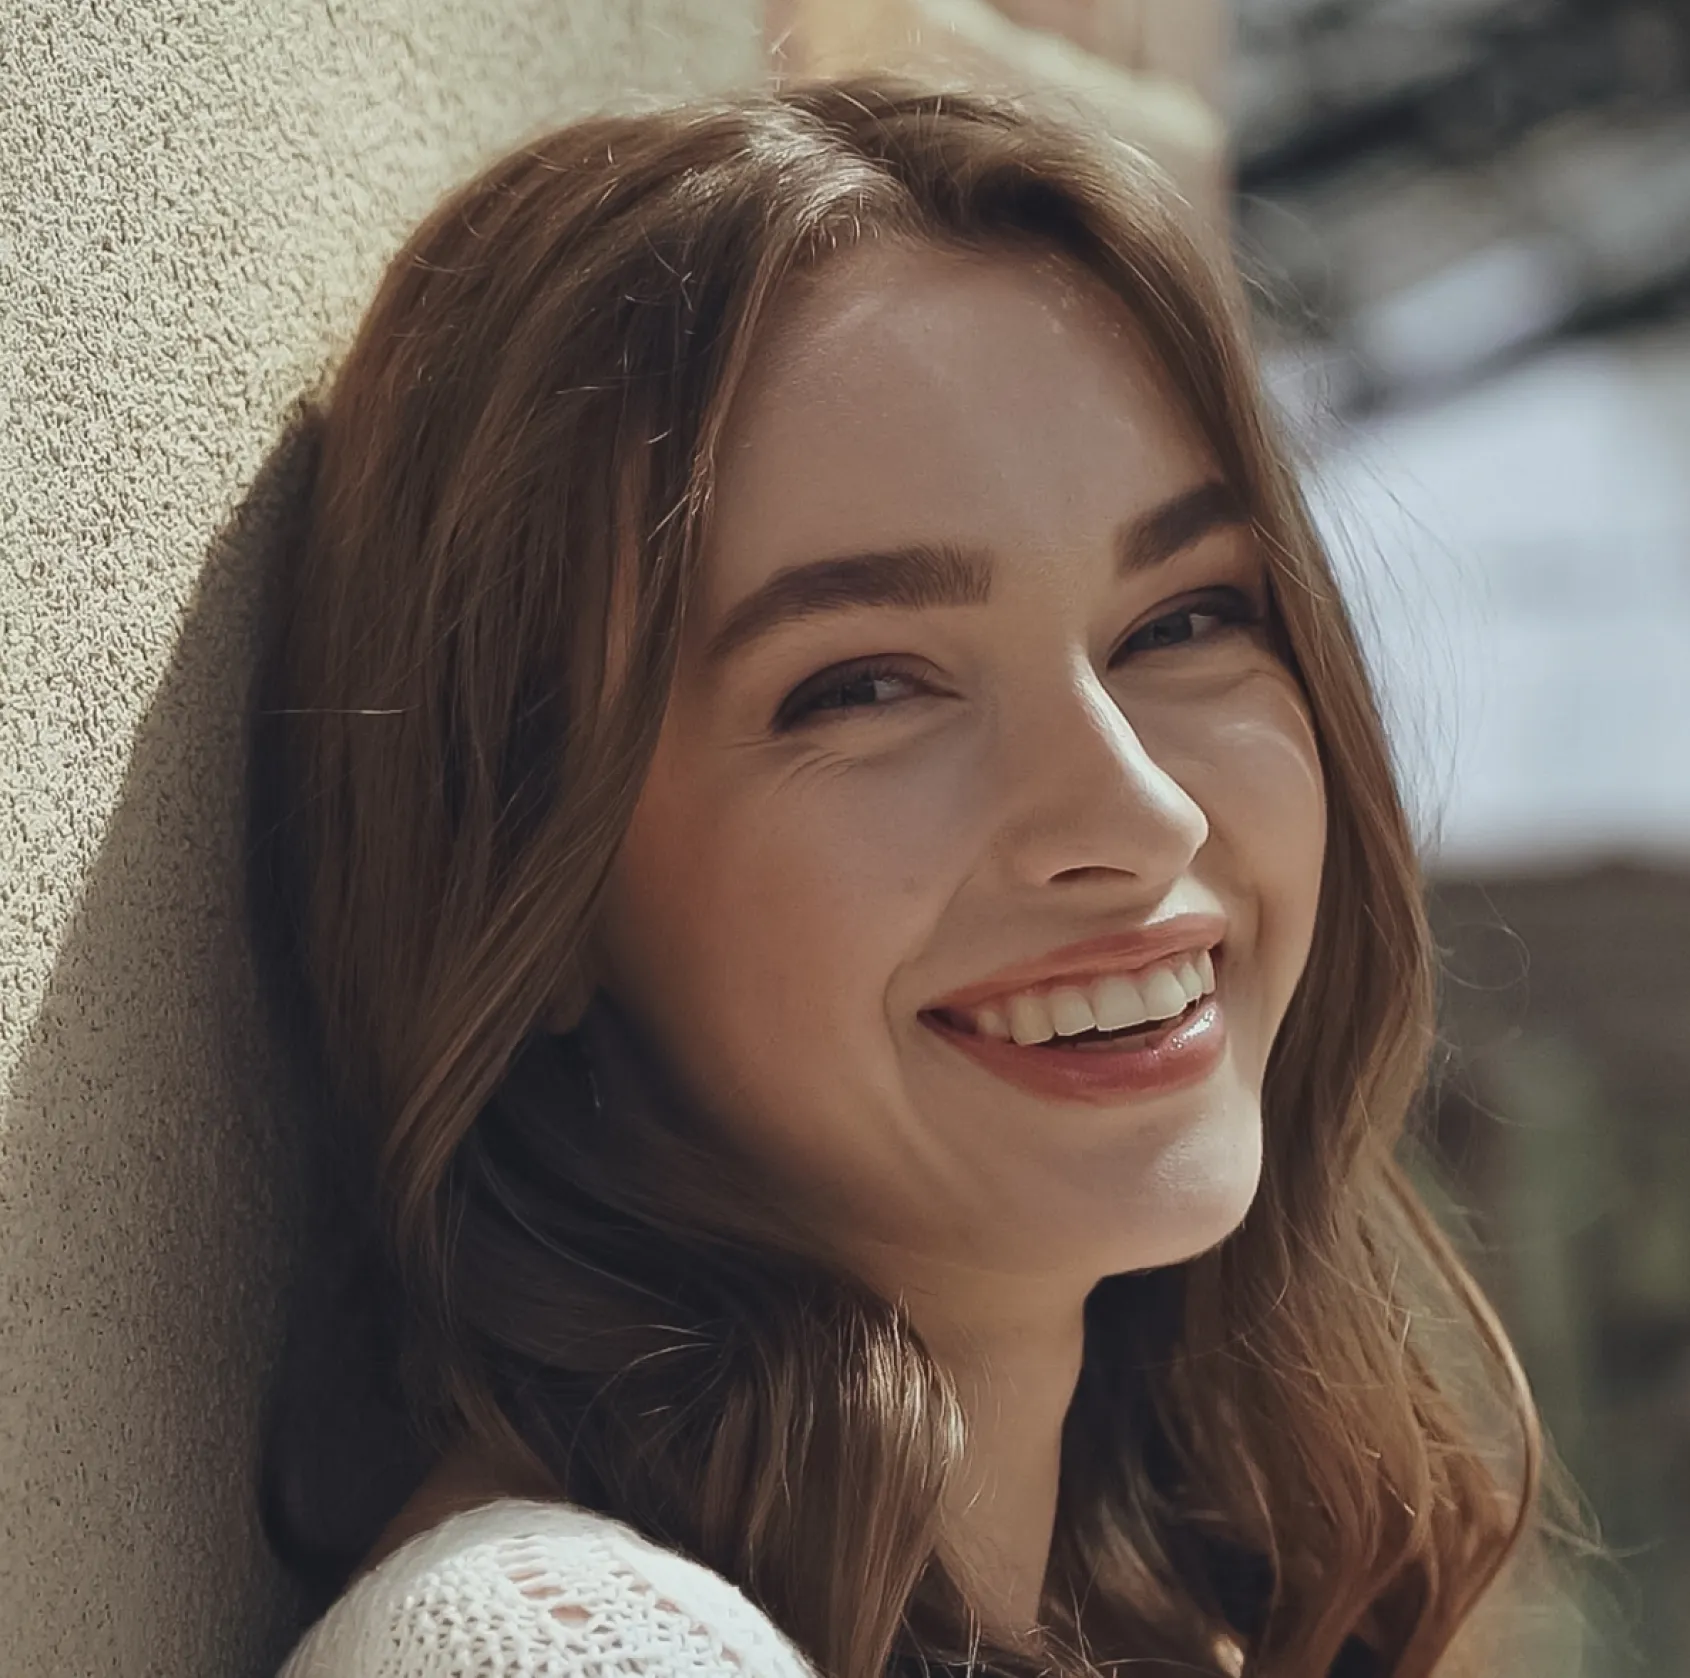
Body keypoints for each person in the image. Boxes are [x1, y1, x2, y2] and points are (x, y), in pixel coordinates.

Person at [251, 75, 1567, 1678]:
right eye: (864, 684)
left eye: (1182, 619)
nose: (1133, 813)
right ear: (530, 885)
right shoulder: (551, 1648)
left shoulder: (1213, 1620)